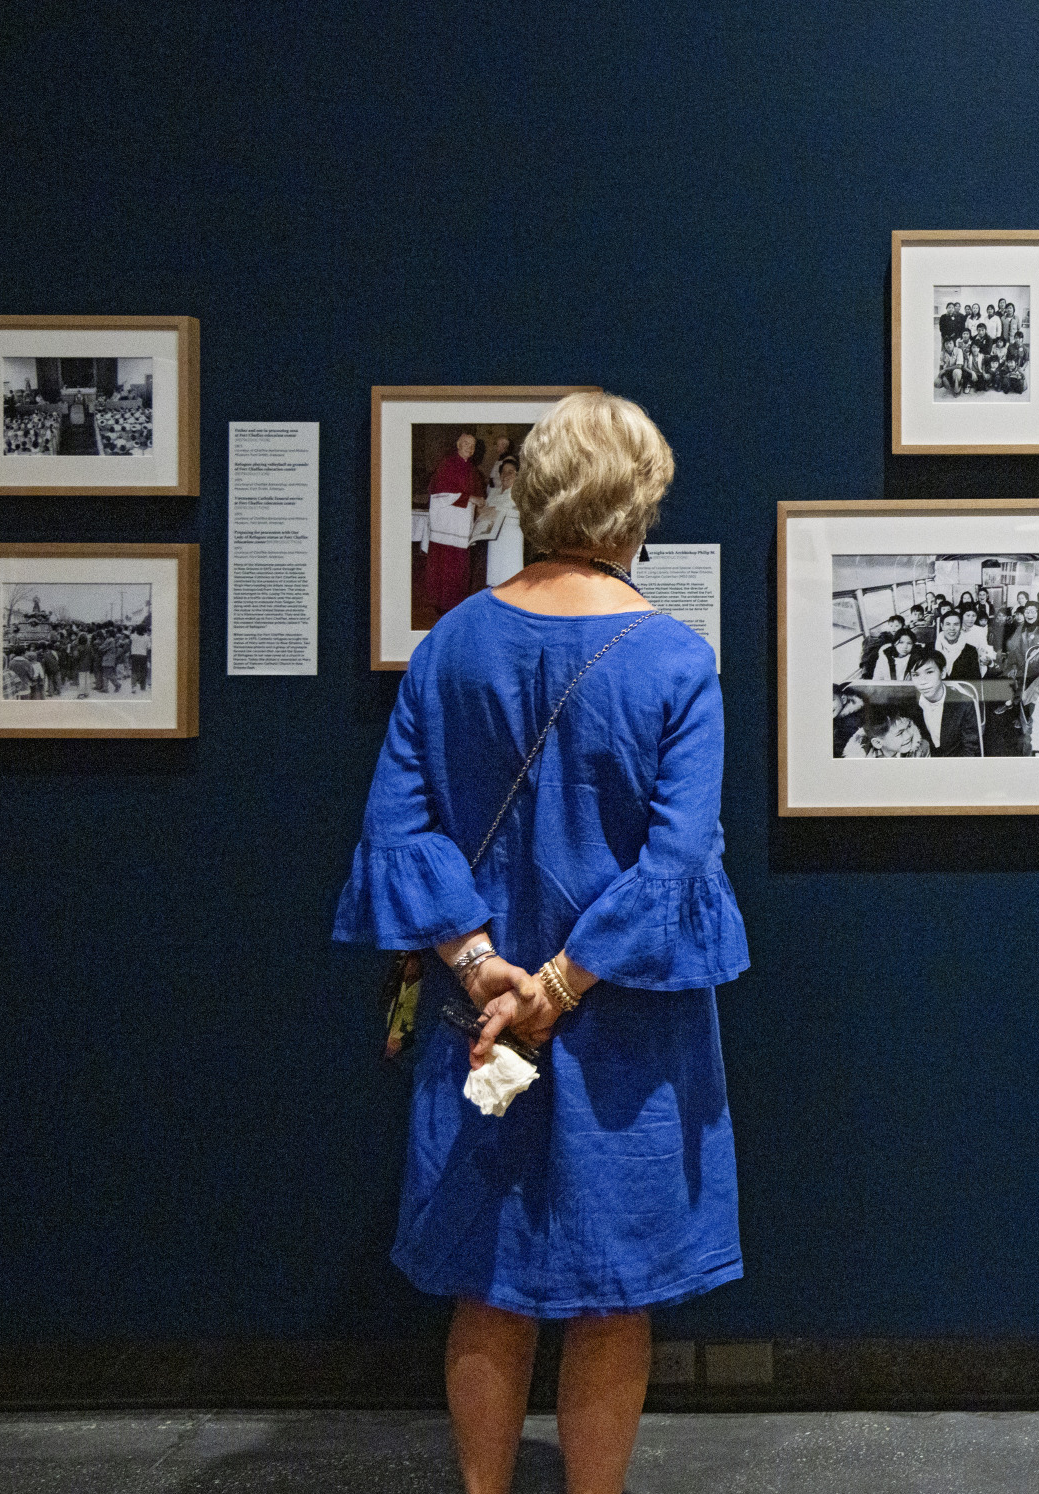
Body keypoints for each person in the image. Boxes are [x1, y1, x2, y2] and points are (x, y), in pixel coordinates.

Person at [333, 392, 748, 1494]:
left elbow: (398, 825)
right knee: (613, 1295)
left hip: (483, 1018)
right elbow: (677, 860)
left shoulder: (455, 641)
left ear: (527, 496)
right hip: (625, 1024)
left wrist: (480, 968)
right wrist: (560, 984)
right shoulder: (673, 660)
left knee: (490, 1273)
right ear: (637, 505)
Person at [425, 432, 486, 613]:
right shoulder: (447, 464)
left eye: (472, 445)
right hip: (446, 526)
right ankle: (442, 604)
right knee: (445, 566)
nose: (469, 447)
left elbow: (479, 497)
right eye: (466, 443)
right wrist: (472, 498)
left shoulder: (474, 471)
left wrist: (482, 506)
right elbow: (439, 493)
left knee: (460, 567)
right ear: (458, 445)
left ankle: (456, 604)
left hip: (462, 526)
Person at [906, 648, 981, 756]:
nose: (922, 681)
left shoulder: (964, 703)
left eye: (929, 672)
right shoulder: (909, 704)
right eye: (916, 675)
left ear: (943, 673)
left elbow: (970, 748)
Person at [484, 454, 525, 586]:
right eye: (503, 472)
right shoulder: (494, 493)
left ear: (517, 475)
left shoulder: (519, 492)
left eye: (510, 472)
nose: (506, 475)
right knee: (494, 574)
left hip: (511, 538)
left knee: (510, 574)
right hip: (494, 539)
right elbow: (484, 512)